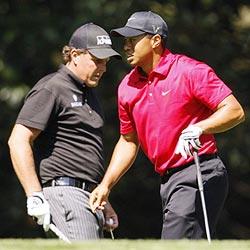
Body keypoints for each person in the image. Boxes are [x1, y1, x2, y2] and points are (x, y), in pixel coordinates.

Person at [89, 11, 245, 239]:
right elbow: (129, 140)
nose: (126, 47)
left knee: (172, 242)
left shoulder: (189, 71)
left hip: (199, 171)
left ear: (155, 40)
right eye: (125, 41)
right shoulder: (127, 87)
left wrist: (199, 128)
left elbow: (234, 110)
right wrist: (106, 185)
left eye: (133, 40)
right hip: (168, 180)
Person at [8, 22, 121, 240]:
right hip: (65, 196)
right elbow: (18, 140)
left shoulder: (89, 94)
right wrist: (34, 195)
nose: (103, 68)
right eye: (97, 61)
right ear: (75, 55)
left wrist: (103, 199)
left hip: (88, 198)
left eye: (106, 62)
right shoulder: (52, 87)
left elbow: (82, 154)